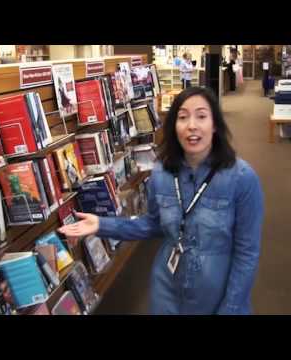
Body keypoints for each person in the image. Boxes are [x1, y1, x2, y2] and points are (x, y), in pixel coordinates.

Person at [58, 86, 264, 315]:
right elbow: (153, 224)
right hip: (167, 289)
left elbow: (247, 253)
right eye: (183, 117)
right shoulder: (162, 173)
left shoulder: (242, 179)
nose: (192, 125)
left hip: (216, 292)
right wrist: (101, 225)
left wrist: (232, 308)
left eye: (202, 116)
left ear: (215, 125)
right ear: (174, 126)